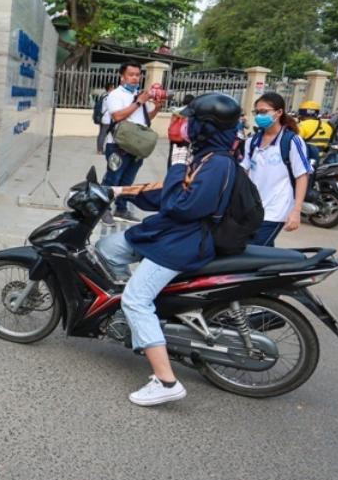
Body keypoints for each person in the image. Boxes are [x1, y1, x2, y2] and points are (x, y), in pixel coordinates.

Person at [95, 93, 243, 407]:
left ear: (206, 126)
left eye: (188, 120)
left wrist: (176, 162)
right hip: (167, 231)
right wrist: (118, 191)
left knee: (135, 298)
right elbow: (167, 193)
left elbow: (183, 204)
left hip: (183, 241)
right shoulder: (202, 152)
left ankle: (165, 381)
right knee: (108, 247)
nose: (179, 123)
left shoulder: (218, 163)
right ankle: (140, 323)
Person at [242, 93, 310, 246]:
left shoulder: (291, 140)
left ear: (279, 112)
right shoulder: (252, 142)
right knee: (258, 253)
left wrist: (296, 211)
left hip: (277, 209)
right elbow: (244, 173)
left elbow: (302, 176)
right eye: (257, 112)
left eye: (264, 112)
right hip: (252, 209)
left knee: (255, 251)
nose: (259, 116)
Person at [100, 62, 157, 220]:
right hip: (118, 145)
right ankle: (103, 209)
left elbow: (145, 121)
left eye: (137, 75)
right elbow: (117, 116)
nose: (135, 78)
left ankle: (121, 209)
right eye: (131, 75)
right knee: (113, 178)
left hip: (135, 146)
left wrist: (157, 108)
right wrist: (139, 102)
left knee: (128, 180)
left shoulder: (139, 95)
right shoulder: (115, 95)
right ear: (122, 76)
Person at [297, 100, 333, 166]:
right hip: (322, 159)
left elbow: (296, 144)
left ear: (301, 113)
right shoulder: (328, 126)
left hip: (306, 159)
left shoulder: (301, 126)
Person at [94, 84, 114, 154]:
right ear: (110, 88)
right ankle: (100, 150)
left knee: (101, 133)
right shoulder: (109, 97)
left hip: (101, 117)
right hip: (107, 118)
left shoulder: (103, 95)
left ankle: (99, 149)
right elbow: (110, 108)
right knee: (103, 134)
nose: (113, 89)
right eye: (113, 87)